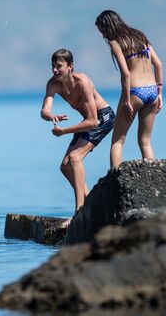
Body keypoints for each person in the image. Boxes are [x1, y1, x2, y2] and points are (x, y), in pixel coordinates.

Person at [41, 49, 114, 222]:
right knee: (65, 166)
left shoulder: (83, 82)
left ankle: (79, 212)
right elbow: (44, 111)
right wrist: (51, 116)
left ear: (70, 66)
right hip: (88, 120)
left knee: (75, 157)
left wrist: (64, 131)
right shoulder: (53, 84)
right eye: (53, 66)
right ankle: (90, 203)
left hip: (102, 117)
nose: (55, 70)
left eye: (59, 66)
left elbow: (93, 122)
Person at [95, 10, 163, 168]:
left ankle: (115, 182)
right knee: (145, 141)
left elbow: (126, 74)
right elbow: (158, 64)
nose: (103, 35)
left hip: (134, 92)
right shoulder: (140, 36)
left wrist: (126, 101)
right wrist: (159, 94)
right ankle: (152, 177)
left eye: (103, 31)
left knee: (117, 141)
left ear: (109, 26)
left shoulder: (116, 42)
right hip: (152, 91)